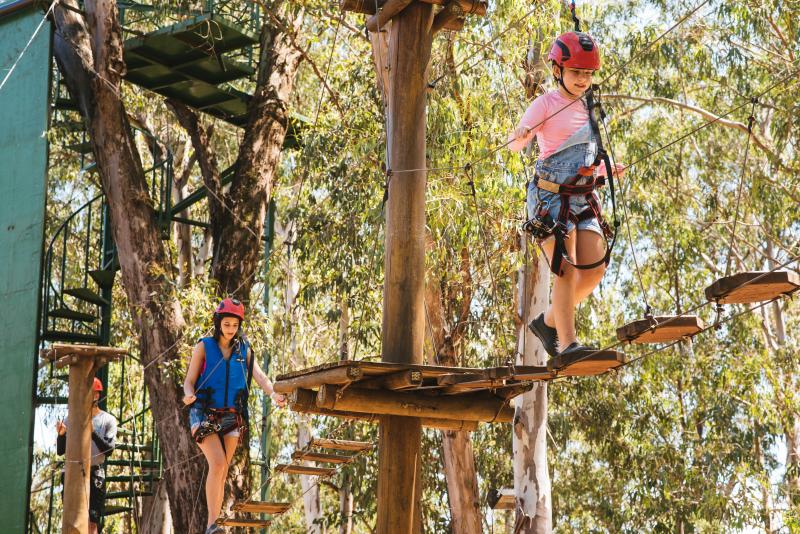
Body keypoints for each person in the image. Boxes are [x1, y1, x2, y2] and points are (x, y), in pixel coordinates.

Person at [508, 30, 626, 361]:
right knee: (566, 269)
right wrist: (520, 134)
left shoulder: (591, 107)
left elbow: (588, 156)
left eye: (588, 74)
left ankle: (547, 322)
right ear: (557, 70)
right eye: (576, 72)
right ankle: (568, 343)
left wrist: (607, 169)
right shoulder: (545, 104)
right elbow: (518, 144)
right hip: (550, 199)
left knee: (595, 268)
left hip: (582, 196)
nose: (583, 79)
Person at [182, 298, 287, 534]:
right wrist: (189, 396)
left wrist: (274, 395)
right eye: (226, 324)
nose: (230, 329)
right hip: (204, 414)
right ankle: (212, 524)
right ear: (219, 322)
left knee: (222, 470)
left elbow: (260, 377)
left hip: (232, 417)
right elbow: (188, 382)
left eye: (234, 325)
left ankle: (213, 524)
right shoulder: (204, 346)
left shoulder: (245, 350)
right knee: (217, 463)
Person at [56, 377, 117, 534]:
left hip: (95, 473)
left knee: (91, 522)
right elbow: (60, 451)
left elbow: (109, 450)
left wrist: (93, 432)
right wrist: (61, 435)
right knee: (71, 519)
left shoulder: (107, 420)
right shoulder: (70, 419)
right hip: (72, 472)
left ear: (96, 396)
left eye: (86, 393)